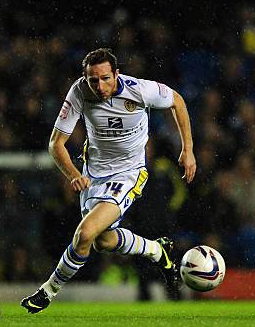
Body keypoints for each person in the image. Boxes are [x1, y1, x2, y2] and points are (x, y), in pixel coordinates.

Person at [21, 48, 196, 313]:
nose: (99, 86)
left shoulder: (139, 90)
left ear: (116, 74)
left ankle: (47, 291)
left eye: (105, 78)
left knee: (86, 233)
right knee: (103, 241)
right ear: (85, 78)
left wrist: (188, 149)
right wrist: (74, 175)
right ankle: (157, 251)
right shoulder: (79, 92)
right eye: (93, 80)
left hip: (128, 174)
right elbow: (56, 144)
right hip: (93, 175)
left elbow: (178, 101)